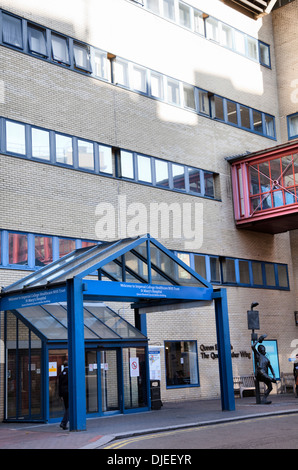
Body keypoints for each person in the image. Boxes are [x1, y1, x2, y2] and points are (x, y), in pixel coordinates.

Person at [252, 335, 276, 404]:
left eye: (263, 348)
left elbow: (271, 368)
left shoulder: (267, 359)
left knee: (270, 387)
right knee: (263, 373)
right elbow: (253, 346)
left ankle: (264, 399)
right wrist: (258, 340)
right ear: (260, 350)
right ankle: (271, 379)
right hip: (260, 372)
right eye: (261, 349)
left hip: (265, 374)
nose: (263, 349)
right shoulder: (258, 355)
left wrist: (274, 375)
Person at [58, 360, 69, 430]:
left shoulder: (61, 374)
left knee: (67, 407)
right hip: (69, 392)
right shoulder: (70, 372)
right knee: (70, 408)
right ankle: (63, 422)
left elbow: (59, 385)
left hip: (63, 393)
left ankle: (65, 424)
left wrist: (60, 395)